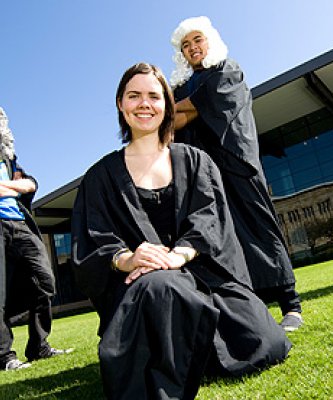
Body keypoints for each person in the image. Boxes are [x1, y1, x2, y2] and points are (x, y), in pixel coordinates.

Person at [71, 62, 291, 400]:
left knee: (267, 340)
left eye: (154, 96)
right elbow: (93, 236)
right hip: (144, 284)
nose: (144, 104)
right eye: (134, 96)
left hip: (205, 276)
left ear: (166, 105)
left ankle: (179, 350)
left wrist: (179, 255)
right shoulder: (99, 177)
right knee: (162, 288)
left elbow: (210, 218)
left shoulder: (196, 161)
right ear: (120, 104)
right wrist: (129, 259)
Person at [170, 16, 302, 331]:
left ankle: (291, 305)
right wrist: (187, 109)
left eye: (197, 40)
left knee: (260, 229)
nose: (192, 48)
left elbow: (202, 107)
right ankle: (251, 312)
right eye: (186, 45)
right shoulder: (179, 86)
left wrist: (186, 110)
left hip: (236, 164)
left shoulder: (228, 70)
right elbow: (171, 121)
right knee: (225, 242)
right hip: (203, 174)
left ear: (210, 40)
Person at [0, 107, 72, 371]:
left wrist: (11, 187)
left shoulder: (9, 159)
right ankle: (5, 357)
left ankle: (39, 346)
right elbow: (23, 186)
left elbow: (31, 183)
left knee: (45, 280)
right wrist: (15, 188)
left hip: (19, 224)